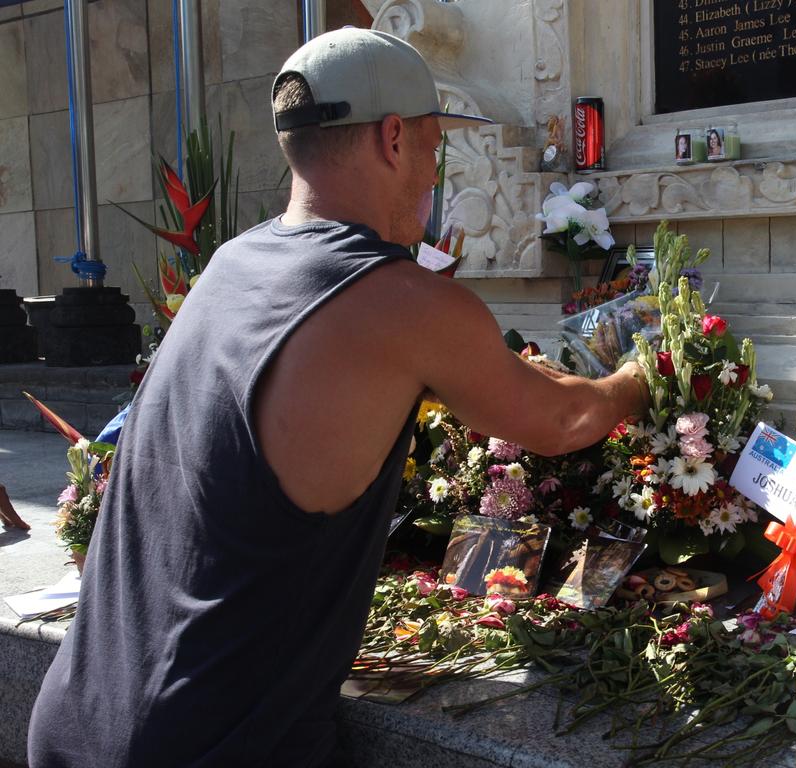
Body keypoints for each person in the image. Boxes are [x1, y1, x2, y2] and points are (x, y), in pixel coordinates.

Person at [28, 28, 650, 768]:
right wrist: (642, 376)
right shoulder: (399, 300)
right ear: (392, 138)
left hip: (76, 719)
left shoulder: (233, 263)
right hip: (210, 745)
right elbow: (563, 421)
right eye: (431, 147)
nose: (432, 173)